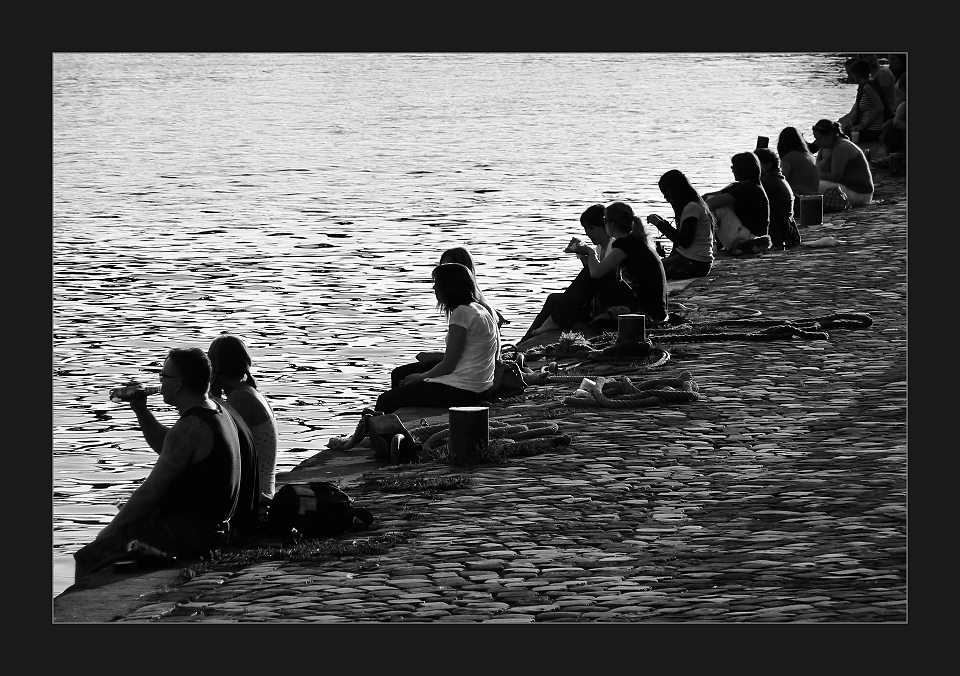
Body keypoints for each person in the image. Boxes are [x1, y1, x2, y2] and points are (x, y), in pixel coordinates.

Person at [73, 348, 242, 580]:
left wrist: (106, 532)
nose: (159, 382)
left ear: (178, 384)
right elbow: (169, 447)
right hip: (213, 530)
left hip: (190, 535)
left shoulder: (190, 427)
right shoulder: (215, 411)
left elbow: (149, 495)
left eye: (163, 376)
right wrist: (141, 410)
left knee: (90, 555)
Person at [374, 262, 500, 414]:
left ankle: (385, 432)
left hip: (464, 390)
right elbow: (469, 354)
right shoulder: (480, 309)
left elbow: (449, 365)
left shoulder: (461, 314)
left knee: (385, 400)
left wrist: (420, 378)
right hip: (480, 385)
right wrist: (433, 356)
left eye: (437, 283)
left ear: (449, 286)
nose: (434, 288)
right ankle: (398, 416)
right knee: (399, 374)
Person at [520, 204, 616, 341]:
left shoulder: (614, 245)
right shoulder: (600, 248)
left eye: (592, 228)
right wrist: (583, 255)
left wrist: (589, 253)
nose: (588, 233)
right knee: (553, 299)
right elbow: (591, 278)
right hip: (597, 300)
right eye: (585, 229)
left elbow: (597, 276)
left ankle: (552, 323)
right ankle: (526, 339)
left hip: (608, 303)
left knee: (559, 302)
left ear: (605, 227)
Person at [208, 332, 278, 501]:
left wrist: (211, 400)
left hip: (256, 498)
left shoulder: (239, 400)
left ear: (216, 366)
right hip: (261, 490)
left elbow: (220, 450)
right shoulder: (248, 392)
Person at [646, 169, 715, 279]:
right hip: (696, 261)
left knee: (648, 271)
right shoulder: (694, 206)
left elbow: (684, 241)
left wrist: (659, 224)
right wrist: (663, 223)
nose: (665, 197)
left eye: (665, 193)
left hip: (694, 262)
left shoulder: (692, 208)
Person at [704, 152, 772, 256]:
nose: (731, 169)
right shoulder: (742, 186)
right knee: (711, 200)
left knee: (718, 208)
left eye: (733, 166)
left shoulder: (749, 189)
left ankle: (703, 244)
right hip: (747, 234)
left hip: (751, 237)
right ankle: (712, 242)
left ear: (742, 169)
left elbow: (712, 203)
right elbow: (709, 196)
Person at [438, 247, 507, 331]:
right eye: (442, 267)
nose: (443, 273)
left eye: (450, 267)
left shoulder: (466, 311)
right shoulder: (478, 305)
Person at [812, 119, 874, 207]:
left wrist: (812, 176)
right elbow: (820, 170)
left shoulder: (842, 147)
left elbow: (835, 176)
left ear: (830, 135)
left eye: (819, 139)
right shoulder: (828, 147)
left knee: (817, 185)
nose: (817, 142)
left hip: (861, 194)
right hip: (849, 188)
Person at [754, 148, 801, 249]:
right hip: (787, 232)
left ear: (767, 165)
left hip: (778, 234)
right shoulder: (777, 179)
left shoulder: (766, 182)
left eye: (756, 164)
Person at [842, 59, 890, 143]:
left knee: (838, 135)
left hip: (873, 131)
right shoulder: (865, 87)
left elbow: (880, 108)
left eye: (851, 74)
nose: (850, 77)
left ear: (856, 75)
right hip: (869, 129)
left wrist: (862, 125)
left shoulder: (867, 88)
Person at [776, 127, 820, 203]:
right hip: (814, 197)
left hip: (800, 199)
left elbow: (782, 181)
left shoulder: (789, 158)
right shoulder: (809, 156)